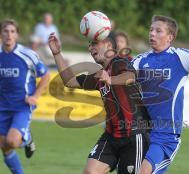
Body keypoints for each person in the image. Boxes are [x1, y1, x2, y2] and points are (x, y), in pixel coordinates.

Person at [132, 15, 189, 174]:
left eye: (158, 31)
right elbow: (118, 78)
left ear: (170, 37)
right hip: (142, 131)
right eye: (151, 30)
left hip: (166, 135)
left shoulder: (180, 57)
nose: (152, 34)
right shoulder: (140, 60)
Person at [48, 32, 150, 174]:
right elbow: (69, 81)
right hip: (111, 135)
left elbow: (130, 76)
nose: (90, 48)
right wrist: (57, 53)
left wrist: (110, 80)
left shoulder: (120, 62)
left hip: (134, 135)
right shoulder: (100, 74)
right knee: (90, 171)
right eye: (89, 44)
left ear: (108, 45)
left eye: (94, 43)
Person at [0, 19, 50, 174]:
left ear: (17, 35)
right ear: (0, 34)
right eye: (6, 31)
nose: (9, 35)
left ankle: (27, 139)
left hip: (22, 106)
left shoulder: (27, 54)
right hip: (2, 107)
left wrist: (35, 96)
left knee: (12, 141)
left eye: (12, 31)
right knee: (5, 146)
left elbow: (46, 75)